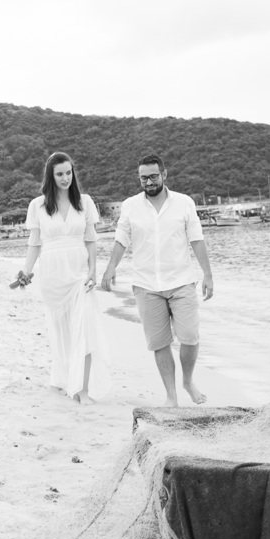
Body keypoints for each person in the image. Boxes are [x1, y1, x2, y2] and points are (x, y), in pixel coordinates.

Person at [100, 154, 214, 406]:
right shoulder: (130, 205)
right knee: (160, 343)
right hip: (146, 285)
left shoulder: (184, 203)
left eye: (153, 176)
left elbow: (196, 238)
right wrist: (110, 268)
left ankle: (188, 381)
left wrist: (207, 274)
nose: (148, 182)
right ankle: (171, 395)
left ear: (165, 174)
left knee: (190, 336)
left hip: (182, 281)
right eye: (143, 177)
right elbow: (121, 239)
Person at [17, 152, 112, 403]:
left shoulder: (85, 201)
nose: (65, 178)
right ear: (51, 176)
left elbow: (91, 239)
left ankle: (82, 389)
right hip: (52, 274)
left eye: (68, 173)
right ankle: (62, 378)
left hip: (80, 273)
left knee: (85, 328)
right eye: (59, 174)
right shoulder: (37, 205)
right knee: (62, 332)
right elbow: (34, 243)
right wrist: (26, 272)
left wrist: (93, 270)